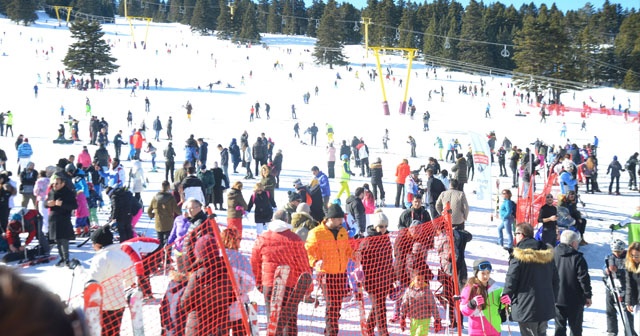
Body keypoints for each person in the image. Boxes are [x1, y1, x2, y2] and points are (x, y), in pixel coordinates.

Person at [251, 210, 310, 335]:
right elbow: (303, 265)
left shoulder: (262, 238)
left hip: (269, 285)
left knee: (272, 319)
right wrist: (307, 287)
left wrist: (259, 283)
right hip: (291, 286)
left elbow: (255, 263)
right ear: (287, 221)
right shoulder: (294, 239)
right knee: (290, 321)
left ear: (273, 220)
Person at [305, 204, 353, 336]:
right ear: (330, 219)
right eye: (338, 219)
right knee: (332, 304)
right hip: (326, 274)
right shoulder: (316, 233)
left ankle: (330, 330)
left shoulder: (342, 231)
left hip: (341, 273)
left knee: (336, 305)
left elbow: (347, 249)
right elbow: (308, 251)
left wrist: (354, 255)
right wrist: (315, 262)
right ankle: (332, 333)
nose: (341, 221)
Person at [503, 223, 558, 336]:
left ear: (521, 235)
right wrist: (553, 298)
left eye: (516, 234)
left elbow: (512, 278)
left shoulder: (519, 254)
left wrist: (506, 295)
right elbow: (556, 280)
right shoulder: (546, 253)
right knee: (541, 333)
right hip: (545, 304)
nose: (515, 237)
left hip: (526, 305)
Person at [181, 234, 235, 335]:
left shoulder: (196, 276)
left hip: (198, 326)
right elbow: (233, 297)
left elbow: (185, 302)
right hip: (220, 326)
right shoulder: (226, 272)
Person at [87, 224, 135, 336]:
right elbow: (130, 279)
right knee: (114, 331)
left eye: (93, 244)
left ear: (98, 244)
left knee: (102, 332)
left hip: (103, 303)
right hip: (119, 301)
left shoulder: (101, 258)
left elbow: (93, 280)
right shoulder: (123, 255)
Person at [355, 209, 394, 335]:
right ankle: (384, 333)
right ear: (375, 225)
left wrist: (391, 279)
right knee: (381, 308)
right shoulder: (367, 241)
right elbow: (361, 262)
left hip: (384, 279)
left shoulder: (386, 238)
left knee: (378, 306)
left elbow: (389, 260)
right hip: (372, 281)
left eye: (385, 226)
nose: (383, 229)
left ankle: (369, 328)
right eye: (381, 226)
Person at [554, 230, 592, 336]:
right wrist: (588, 295)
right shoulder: (577, 257)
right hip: (575, 299)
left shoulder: (553, 254)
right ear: (573, 243)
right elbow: (583, 279)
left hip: (557, 298)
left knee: (559, 327)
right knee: (575, 329)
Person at [459, 259, 507, 336]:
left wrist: (505, 302)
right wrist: (472, 303)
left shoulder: (496, 289)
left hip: (495, 330)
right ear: (476, 273)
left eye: (488, 273)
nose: (486, 276)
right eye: (483, 273)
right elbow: (463, 310)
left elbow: (501, 308)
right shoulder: (469, 289)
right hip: (477, 332)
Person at [222, 228, 255, 335]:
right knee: (240, 331)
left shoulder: (215, 256)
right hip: (237, 304)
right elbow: (249, 283)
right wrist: (241, 289)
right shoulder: (241, 259)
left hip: (217, 305)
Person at [605, 239, 635, 336]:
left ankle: (630, 331)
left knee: (627, 311)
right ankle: (612, 331)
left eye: (619, 251)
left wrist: (618, 271)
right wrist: (606, 271)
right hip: (612, 287)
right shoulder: (609, 257)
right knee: (610, 309)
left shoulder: (629, 258)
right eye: (615, 251)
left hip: (626, 288)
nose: (617, 253)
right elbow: (604, 268)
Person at [47, 174, 78, 267]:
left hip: (64, 218)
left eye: (57, 184)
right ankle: (62, 258)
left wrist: (62, 204)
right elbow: (46, 202)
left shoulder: (68, 193)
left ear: (63, 184)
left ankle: (66, 259)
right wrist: (48, 203)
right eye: (53, 184)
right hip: (53, 219)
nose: (54, 186)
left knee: (64, 240)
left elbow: (74, 206)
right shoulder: (52, 192)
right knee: (57, 240)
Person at [399, 272, 441, 336]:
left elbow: (433, 305)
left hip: (424, 318)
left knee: (420, 334)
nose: (420, 281)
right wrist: (402, 316)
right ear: (413, 279)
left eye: (422, 279)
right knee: (413, 334)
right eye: (418, 279)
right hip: (413, 318)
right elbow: (404, 304)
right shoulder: (409, 290)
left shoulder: (426, 290)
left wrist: (437, 319)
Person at [147, 181, 180, 246]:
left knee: (159, 242)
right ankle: (167, 256)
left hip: (158, 223)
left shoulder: (155, 198)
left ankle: (160, 255)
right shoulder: (171, 198)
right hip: (169, 223)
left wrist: (153, 215)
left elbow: (149, 211)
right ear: (168, 187)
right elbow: (177, 210)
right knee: (168, 242)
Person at [625, 242, 640, 331]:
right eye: (632, 256)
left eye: (637, 256)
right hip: (637, 301)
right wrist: (628, 301)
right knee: (638, 328)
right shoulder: (630, 266)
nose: (634, 258)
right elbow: (629, 285)